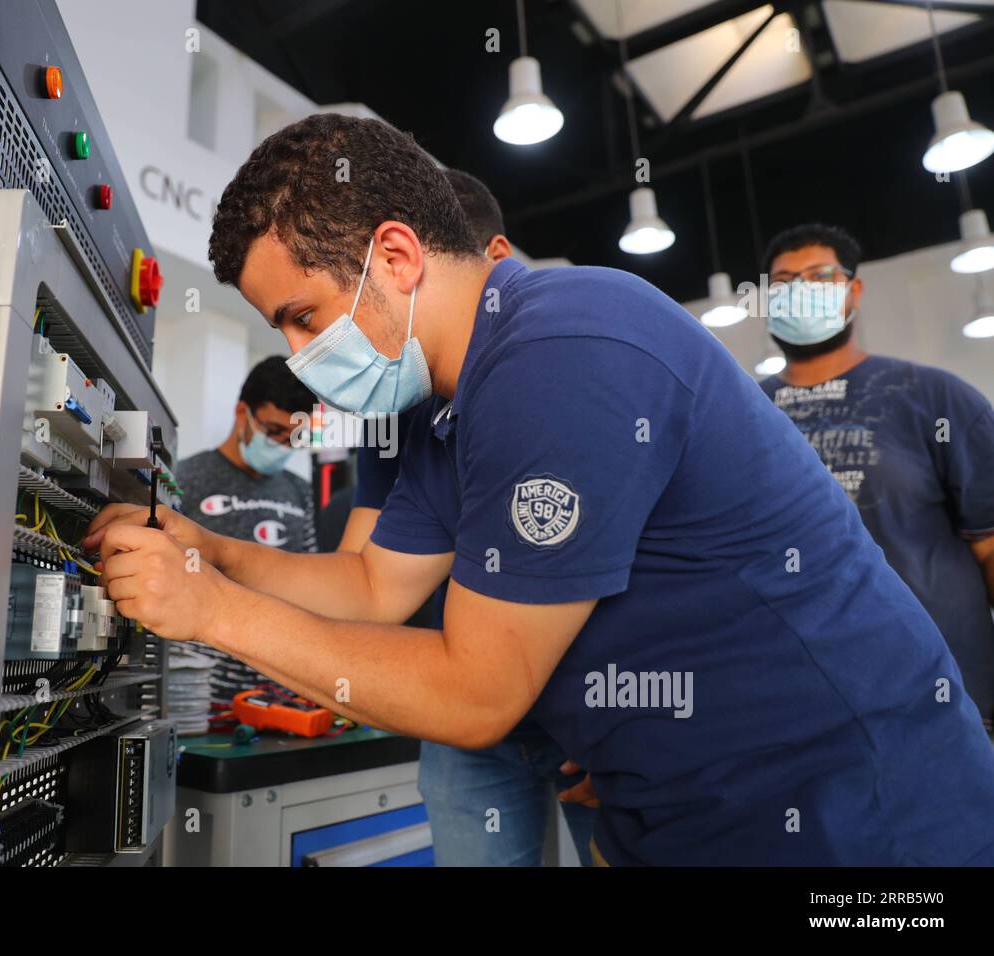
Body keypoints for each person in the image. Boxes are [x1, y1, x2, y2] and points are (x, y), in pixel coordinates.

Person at [86, 114, 994, 865]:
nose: (298, 355)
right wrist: (205, 552)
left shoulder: (564, 350)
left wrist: (208, 612)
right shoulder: (449, 401)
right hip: (681, 808)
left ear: (396, 256)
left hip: (856, 816)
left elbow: (476, 696)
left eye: (304, 317)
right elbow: (373, 587)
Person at [337, 166, 595, 866]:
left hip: (586, 704)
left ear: (495, 263)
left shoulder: (565, 366)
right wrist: (218, 572)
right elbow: (369, 583)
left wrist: (632, 727)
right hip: (458, 715)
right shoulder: (398, 409)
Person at [758, 223, 994, 734]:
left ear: (853, 290)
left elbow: (989, 545)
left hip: (946, 703)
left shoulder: (934, 398)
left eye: (820, 275)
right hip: (801, 713)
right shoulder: (738, 416)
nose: (801, 291)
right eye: (783, 281)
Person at [172, 356, 318, 707]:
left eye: (294, 437)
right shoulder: (184, 479)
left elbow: (313, 582)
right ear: (242, 413)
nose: (282, 445)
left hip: (280, 690)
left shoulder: (300, 491)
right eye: (272, 432)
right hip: (199, 692)